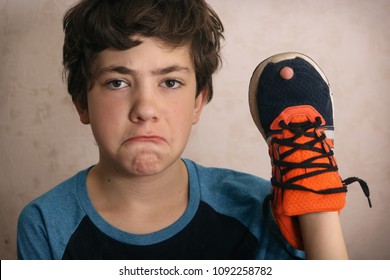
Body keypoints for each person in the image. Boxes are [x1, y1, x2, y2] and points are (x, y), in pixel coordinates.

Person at [17, 0, 370, 260]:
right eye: (117, 82)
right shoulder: (46, 223)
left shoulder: (257, 207)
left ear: (199, 101)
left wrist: (313, 216)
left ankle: (314, 198)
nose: (145, 109)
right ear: (82, 103)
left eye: (170, 82)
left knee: (312, 222)